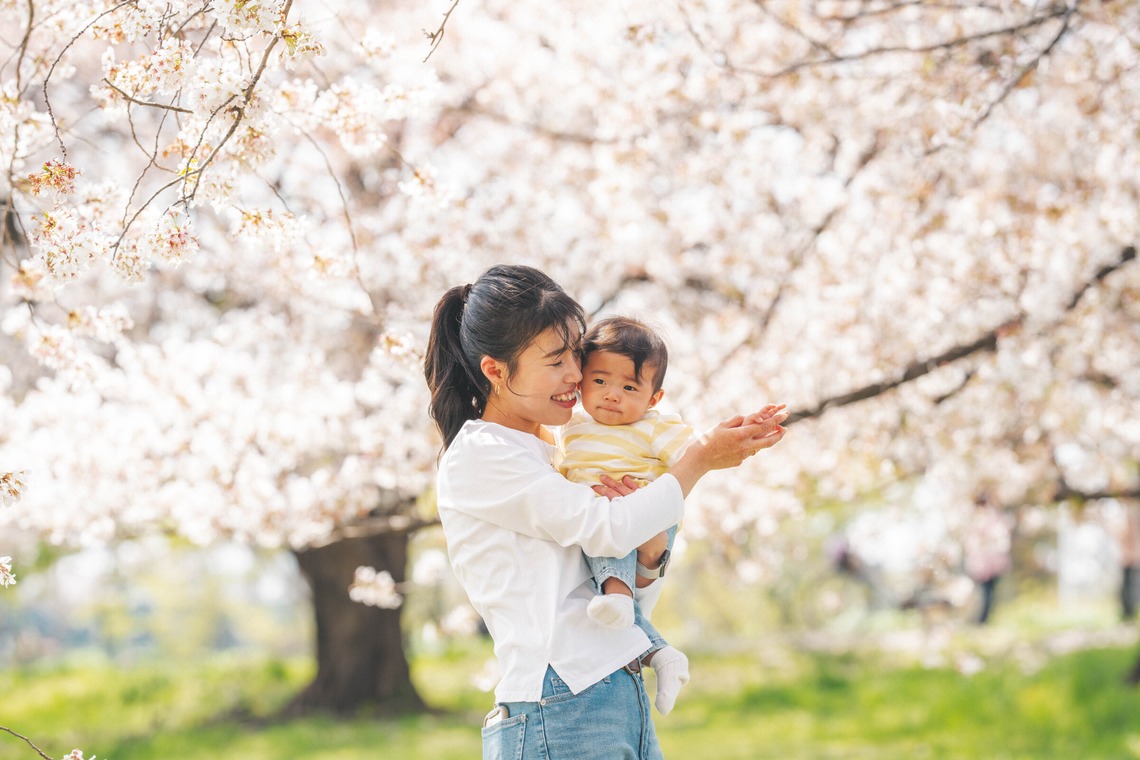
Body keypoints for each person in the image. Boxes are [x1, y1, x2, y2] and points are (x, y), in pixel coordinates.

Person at [424, 264, 788, 760]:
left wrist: (652, 553)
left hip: (616, 688)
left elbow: (627, 600)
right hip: (559, 702)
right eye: (555, 361)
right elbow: (605, 529)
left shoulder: (562, 452)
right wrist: (699, 458)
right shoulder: (483, 454)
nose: (576, 375)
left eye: (575, 354)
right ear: (495, 370)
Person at [559, 316, 696, 712]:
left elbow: (692, 459)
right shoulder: (570, 430)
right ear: (581, 379)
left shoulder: (654, 427)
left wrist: (649, 504)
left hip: (641, 513)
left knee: (610, 524)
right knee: (599, 537)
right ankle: (661, 654)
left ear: (653, 399)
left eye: (629, 387)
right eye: (599, 381)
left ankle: (619, 598)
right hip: (602, 520)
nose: (611, 395)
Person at [962, 491, 1012, 625]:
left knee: (988, 592)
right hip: (984, 560)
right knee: (986, 592)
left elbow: (999, 537)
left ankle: (982, 620)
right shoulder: (984, 517)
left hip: (990, 559)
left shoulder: (988, 517)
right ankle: (981, 620)